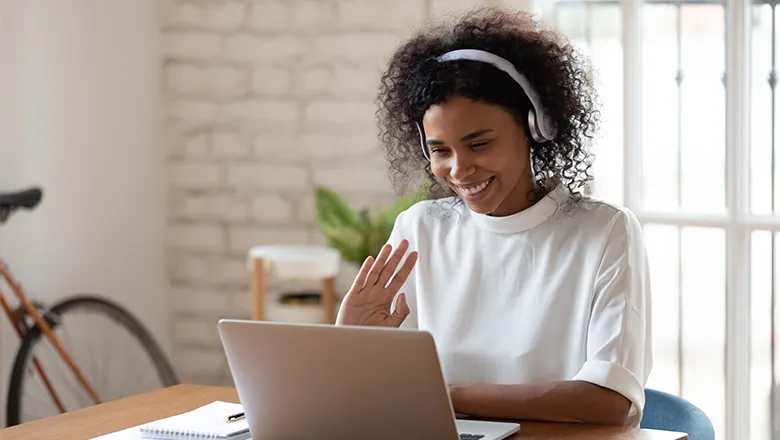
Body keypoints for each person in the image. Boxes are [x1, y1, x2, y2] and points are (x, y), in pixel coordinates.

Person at [335, 6, 653, 428]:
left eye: (479, 144)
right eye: (440, 150)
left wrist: (449, 397)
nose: (459, 169)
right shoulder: (420, 228)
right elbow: (380, 396)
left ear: (534, 128)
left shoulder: (604, 232)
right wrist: (353, 343)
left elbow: (609, 400)